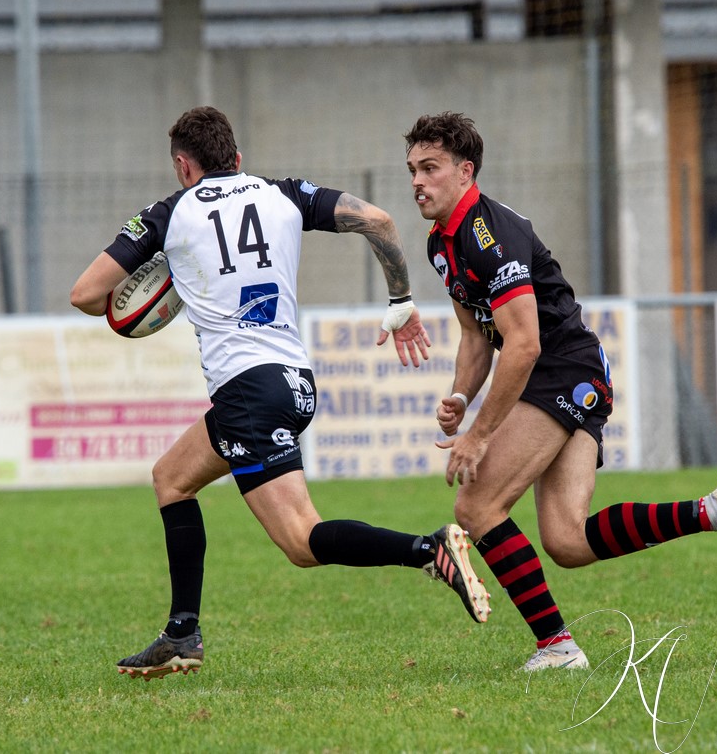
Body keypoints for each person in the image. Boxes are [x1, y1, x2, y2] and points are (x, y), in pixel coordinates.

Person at [71, 106, 491, 681]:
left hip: (247, 391)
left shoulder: (169, 214)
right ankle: (181, 632)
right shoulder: (283, 194)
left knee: (300, 539)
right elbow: (380, 221)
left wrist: (163, 276)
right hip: (291, 384)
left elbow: (88, 296)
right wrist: (400, 301)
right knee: (173, 478)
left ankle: (429, 550)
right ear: (238, 159)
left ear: (182, 166)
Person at [402, 112, 717, 672]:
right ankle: (713, 510)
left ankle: (557, 647)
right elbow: (476, 335)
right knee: (567, 541)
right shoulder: (442, 242)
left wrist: (479, 435)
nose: (417, 181)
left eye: (429, 168)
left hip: (562, 370)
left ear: (465, 171)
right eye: (411, 169)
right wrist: (462, 395)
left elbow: (524, 344)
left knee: (476, 503)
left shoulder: (488, 233)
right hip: (567, 373)